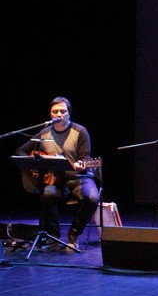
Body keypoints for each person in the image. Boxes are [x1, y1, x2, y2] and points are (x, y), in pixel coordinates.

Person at [14, 97, 100, 251]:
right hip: (56, 179)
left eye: (62, 111)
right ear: (50, 114)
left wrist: (81, 164)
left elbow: (86, 158)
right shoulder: (44, 132)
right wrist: (34, 166)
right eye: (55, 112)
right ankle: (54, 236)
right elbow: (21, 150)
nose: (59, 114)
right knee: (47, 194)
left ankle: (73, 235)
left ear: (69, 113)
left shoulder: (80, 131)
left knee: (92, 198)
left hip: (79, 177)